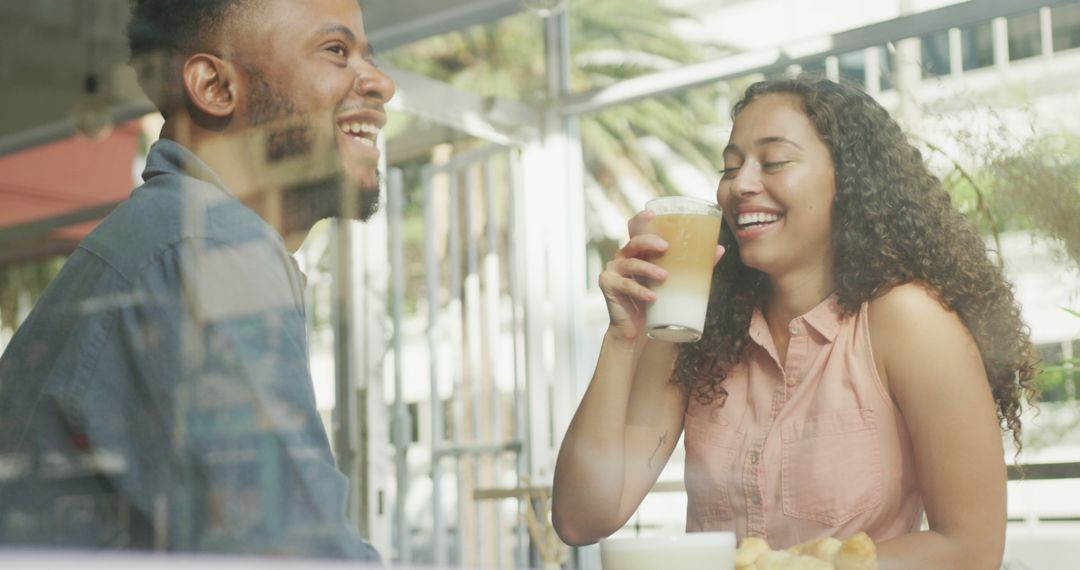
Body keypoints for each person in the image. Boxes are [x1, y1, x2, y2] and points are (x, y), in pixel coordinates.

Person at [551, 76, 1039, 569]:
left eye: (775, 161)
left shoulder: (907, 320)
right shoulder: (698, 328)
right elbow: (582, 518)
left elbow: (970, 548)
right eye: (730, 167)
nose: (740, 185)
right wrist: (622, 338)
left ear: (848, 179)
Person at [0, 0, 394, 560]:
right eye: (336, 51)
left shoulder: (174, 239)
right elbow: (303, 555)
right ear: (214, 86)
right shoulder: (205, 248)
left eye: (367, 56)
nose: (382, 83)